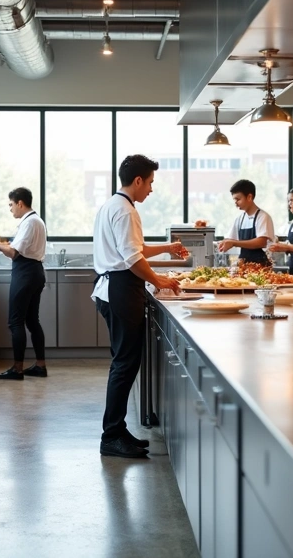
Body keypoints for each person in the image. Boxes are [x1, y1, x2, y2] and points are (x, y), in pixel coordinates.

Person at [92, 154, 185, 458]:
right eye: (151, 183)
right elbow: (132, 259)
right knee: (124, 363)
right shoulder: (125, 210)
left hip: (116, 288)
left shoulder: (114, 205)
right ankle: (111, 436)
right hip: (120, 289)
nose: (151, 190)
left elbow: (137, 248)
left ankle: (118, 430)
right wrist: (160, 280)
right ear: (138, 181)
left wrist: (168, 248)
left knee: (125, 362)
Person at [0, 187, 49, 380]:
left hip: (25, 274)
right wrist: (4, 244)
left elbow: (14, 252)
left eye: (11, 205)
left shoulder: (29, 223)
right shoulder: (37, 221)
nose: (10, 209)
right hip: (36, 272)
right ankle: (40, 365)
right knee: (32, 321)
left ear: (20, 203)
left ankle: (17, 368)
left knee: (15, 321)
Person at [217, 179, 276, 266]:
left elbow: (261, 242)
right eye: (234, 200)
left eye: (238, 199)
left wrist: (234, 243)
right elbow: (230, 238)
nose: (236, 203)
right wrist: (223, 243)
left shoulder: (263, 217)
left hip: (261, 267)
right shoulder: (240, 219)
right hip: (243, 265)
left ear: (249, 197)